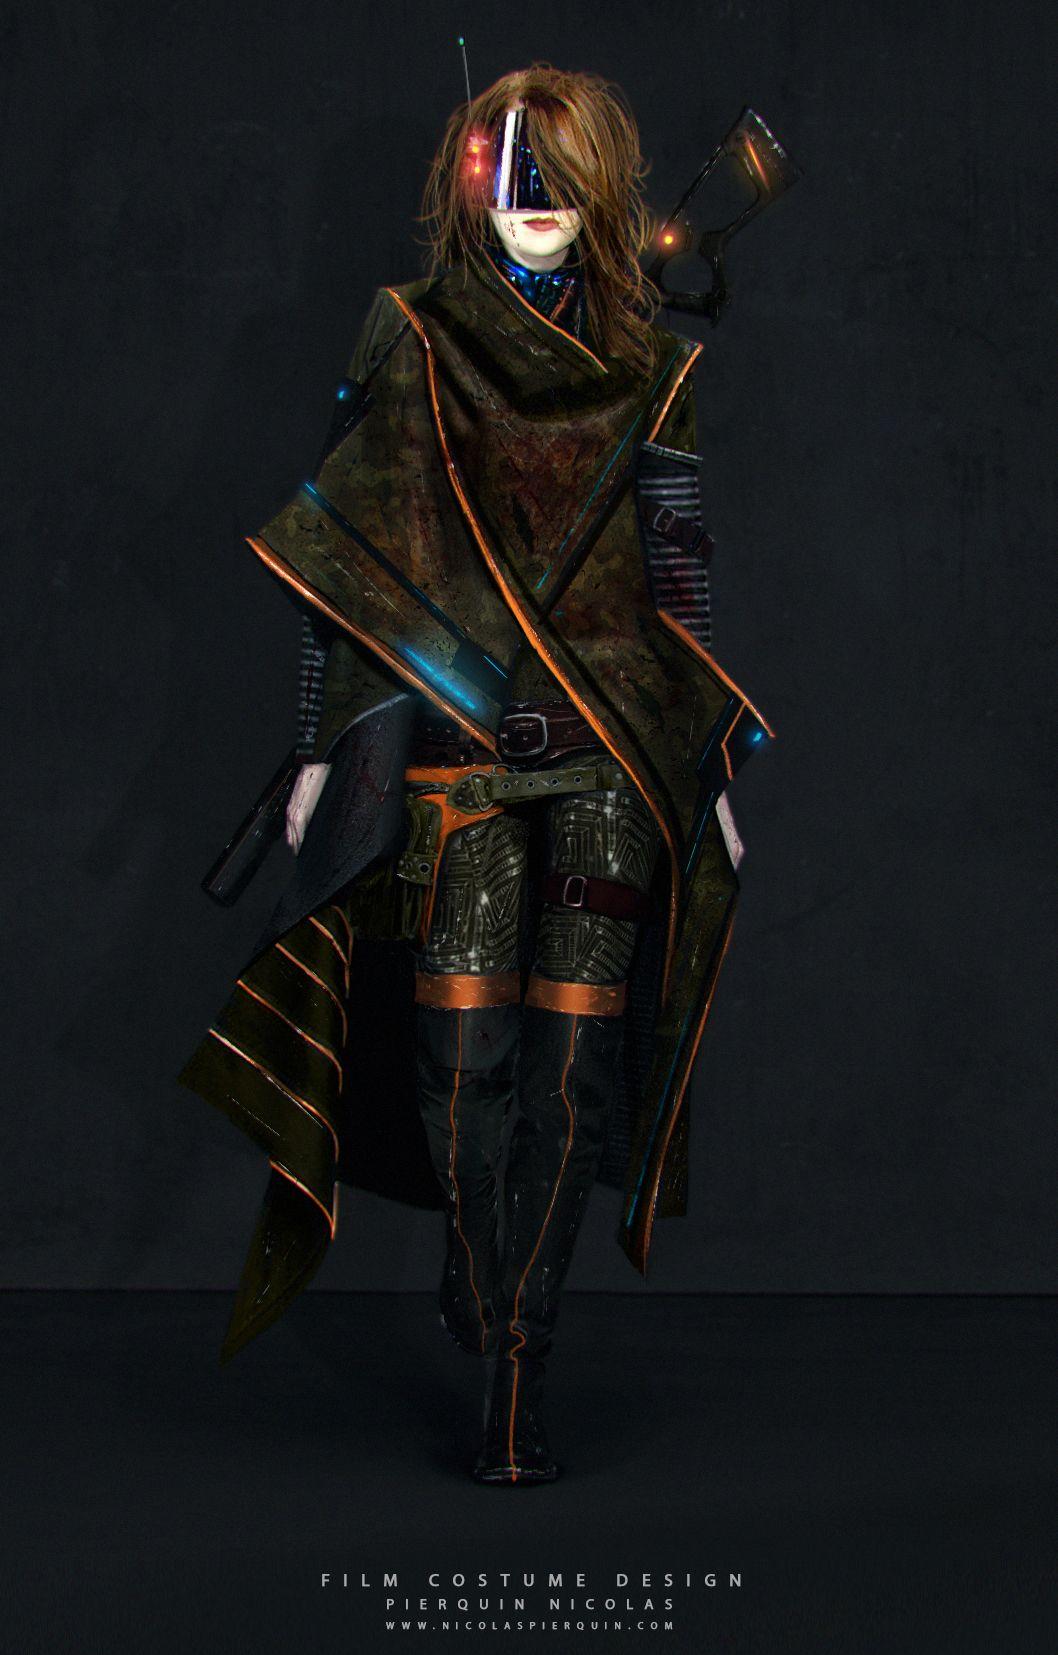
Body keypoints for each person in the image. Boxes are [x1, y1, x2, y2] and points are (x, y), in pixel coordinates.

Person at [179, 62, 771, 1484]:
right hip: (456, 752)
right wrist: (318, 746)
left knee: (571, 1070)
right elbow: (348, 559)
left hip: (612, 753)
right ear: (473, 184)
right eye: (511, 174)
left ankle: (518, 1362)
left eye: (561, 178)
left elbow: (676, 568)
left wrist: (709, 765)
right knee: (466, 1060)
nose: (536, 203)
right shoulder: (412, 333)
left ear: (602, 187)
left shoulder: (652, 360)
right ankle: (477, 1241)